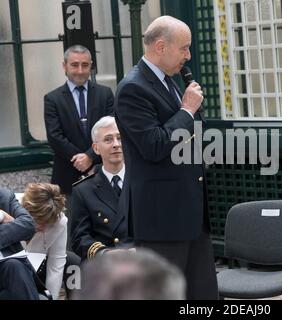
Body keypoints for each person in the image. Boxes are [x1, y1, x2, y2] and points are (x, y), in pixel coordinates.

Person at [114, 15, 218, 299]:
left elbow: (190, 134)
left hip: (191, 212)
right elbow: (155, 145)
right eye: (184, 48)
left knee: (204, 294)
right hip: (162, 218)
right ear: (160, 46)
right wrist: (186, 110)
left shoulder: (169, 79)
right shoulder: (133, 88)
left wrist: (193, 117)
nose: (188, 56)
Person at [44, 45, 114, 195]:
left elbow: (111, 130)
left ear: (91, 65)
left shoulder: (105, 94)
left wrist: (90, 157)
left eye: (85, 65)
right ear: (64, 66)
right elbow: (54, 136)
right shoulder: (52, 99)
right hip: (66, 176)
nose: (80, 71)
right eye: (75, 65)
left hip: (101, 171)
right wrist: (82, 159)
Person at [70, 116, 132, 261]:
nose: (116, 144)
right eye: (108, 139)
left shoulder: (141, 182)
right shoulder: (83, 190)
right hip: (105, 265)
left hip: (140, 260)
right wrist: (105, 253)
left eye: (120, 138)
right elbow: (79, 238)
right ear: (96, 148)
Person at [74, 248, 185, 300]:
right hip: (105, 259)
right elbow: (81, 235)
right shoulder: (85, 199)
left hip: (139, 254)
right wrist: (104, 252)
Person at [19, 183, 67, 299]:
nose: (42, 227)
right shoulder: (8, 209)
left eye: (47, 223)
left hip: (35, 278)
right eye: (37, 221)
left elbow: (55, 268)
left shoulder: (60, 221)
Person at [0, 187, 39, 299]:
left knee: (15, 265)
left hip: (6, 267)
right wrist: (9, 220)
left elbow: (28, 225)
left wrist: (2, 215)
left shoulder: (4, 196)